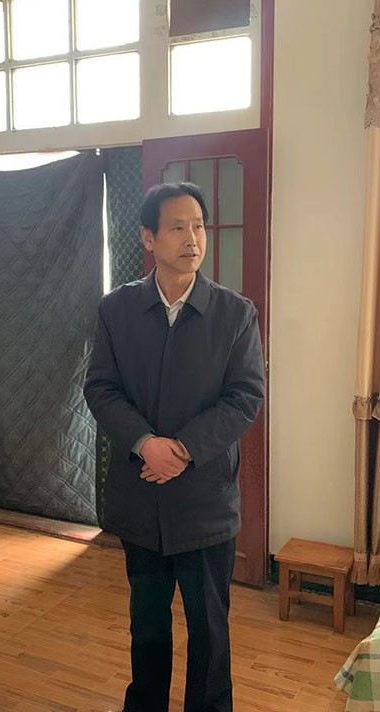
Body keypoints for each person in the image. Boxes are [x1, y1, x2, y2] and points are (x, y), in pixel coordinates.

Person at [84, 182, 265, 712]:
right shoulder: (117, 309)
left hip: (205, 501)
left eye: (199, 226)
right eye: (178, 227)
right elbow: (101, 388)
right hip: (141, 498)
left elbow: (245, 397)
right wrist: (145, 444)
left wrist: (181, 450)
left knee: (209, 628)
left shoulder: (234, 313)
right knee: (146, 625)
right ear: (148, 238)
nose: (193, 239)